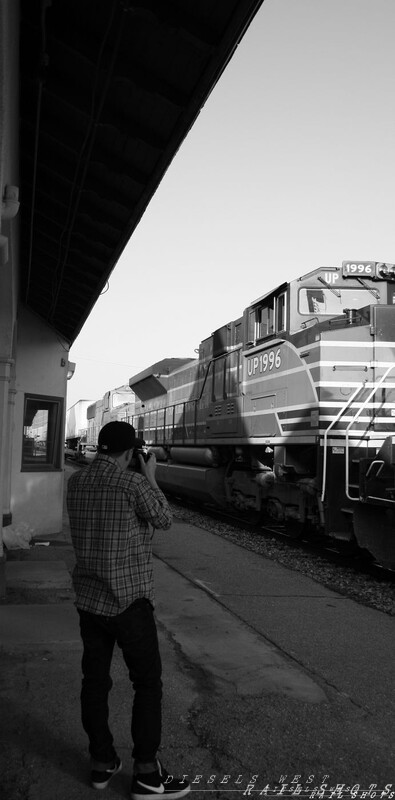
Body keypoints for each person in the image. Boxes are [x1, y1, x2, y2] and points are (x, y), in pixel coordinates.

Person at [66, 420, 190, 799]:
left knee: (95, 682)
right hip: (129, 602)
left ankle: (102, 762)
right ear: (130, 452)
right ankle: (147, 774)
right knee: (147, 683)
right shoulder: (133, 484)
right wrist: (150, 475)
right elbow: (165, 520)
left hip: (90, 601)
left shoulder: (76, 482)